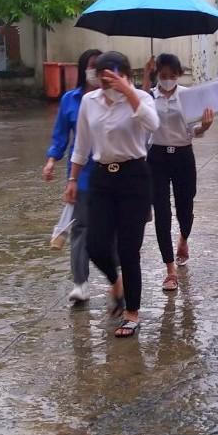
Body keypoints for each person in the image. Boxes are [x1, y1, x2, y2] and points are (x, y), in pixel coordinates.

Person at [65, 51, 159, 338]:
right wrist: (72, 179)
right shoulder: (88, 102)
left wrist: (128, 92)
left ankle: (131, 313)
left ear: (125, 75)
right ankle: (115, 281)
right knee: (95, 244)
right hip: (102, 176)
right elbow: (81, 145)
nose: (106, 83)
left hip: (134, 177)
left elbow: (153, 124)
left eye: (112, 78)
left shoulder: (140, 98)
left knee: (129, 249)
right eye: (102, 78)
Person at [43, 48, 126, 309]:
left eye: (102, 68)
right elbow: (62, 137)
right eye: (92, 67)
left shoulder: (118, 99)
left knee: (110, 232)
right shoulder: (72, 100)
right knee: (80, 229)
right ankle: (80, 283)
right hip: (81, 175)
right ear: (84, 69)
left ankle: (116, 279)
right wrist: (51, 161)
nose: (96, 72)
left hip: (111, 173)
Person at [142, 54, 214, 293]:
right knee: (162, 212)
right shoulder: (149, 95)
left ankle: (183, 238)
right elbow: (140, 115)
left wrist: (203, 126)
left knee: (185, 205)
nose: (168, 80)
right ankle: (170, 270)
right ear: (157, 75)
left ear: (178, 75)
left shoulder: (187, 95)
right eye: (163, 76)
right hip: (157, 158)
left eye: (172, 76)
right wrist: (145, 77)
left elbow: (193, 128)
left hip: (183, 155)